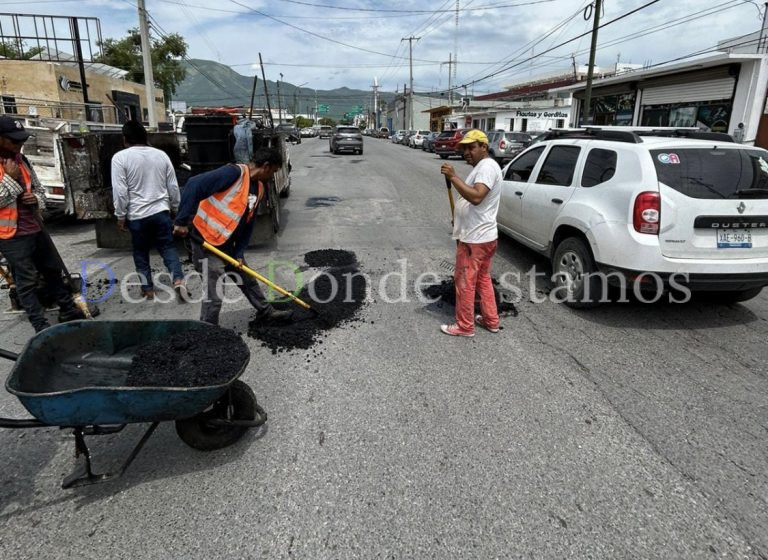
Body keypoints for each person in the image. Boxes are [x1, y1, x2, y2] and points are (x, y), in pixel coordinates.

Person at [172, 147, 293, 326]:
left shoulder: (259, 188)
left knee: (247, 279)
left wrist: (239, 253)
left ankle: (266, 312)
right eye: (273, 171)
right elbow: (193, 184)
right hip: (206, 242)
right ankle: (208, 329)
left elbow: (248, 226)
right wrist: (181, 221)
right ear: (266, 166)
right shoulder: (233, 173)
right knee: (214, 293)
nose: (272, 176)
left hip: (228, 245)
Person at [0, 116, 85, 332]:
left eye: (21, 140)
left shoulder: (22, 160)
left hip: (35, 226)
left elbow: (38, 189)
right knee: (26, 281)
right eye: (14, 141)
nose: (20, 145)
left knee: (52, 270)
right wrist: (11, 179)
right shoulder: (7, 168)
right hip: (11, 235)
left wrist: (36, 199)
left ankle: (68, 310)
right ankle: (41, 326)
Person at [111, 120, 185, 301]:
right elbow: (173, 186)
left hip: (137, 216)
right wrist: (176, 208)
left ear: (125, 139)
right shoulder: (161, 155)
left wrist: (120, 215)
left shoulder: (120, 158)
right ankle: (178, 280)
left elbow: (120, 191)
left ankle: (148, 289)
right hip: (161, 212)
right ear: (145, 137)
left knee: (141, 252)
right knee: (167, 247)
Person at [439, 129, 503, 337]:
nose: (467, 152)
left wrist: (453, 177)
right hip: (484, 236)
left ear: (484, 147)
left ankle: (465, 326)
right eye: (464, 148)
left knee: (465, 282)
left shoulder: (486, 167)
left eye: (471, 147)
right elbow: (475, 202)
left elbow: (476, 197)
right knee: (483, 279)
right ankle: (491, 320)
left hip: (475, 239)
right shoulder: (484, 166)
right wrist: (460, 217)